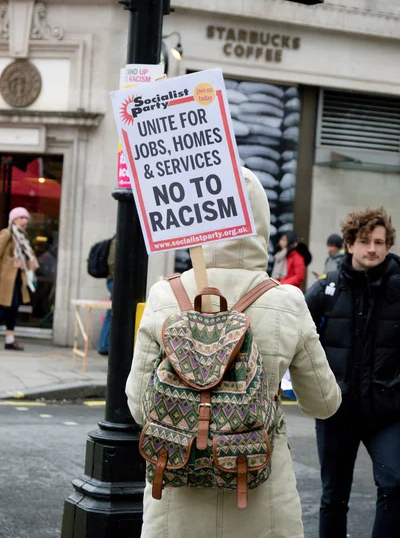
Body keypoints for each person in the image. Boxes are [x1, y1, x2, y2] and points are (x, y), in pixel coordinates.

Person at [126, 168, 341, 538]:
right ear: (260, 222)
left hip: (176, 495)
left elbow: (137, 406)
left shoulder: (166, 295)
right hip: (262, 496)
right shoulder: (286, 301)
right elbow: (324, 403)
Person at [305, 206, 400, 538]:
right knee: (334, 497)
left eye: (378, 241)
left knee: (395, 484)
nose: (371, 248)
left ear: (388, 245)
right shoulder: (326, 289)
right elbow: (294, 337)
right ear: (349, 244)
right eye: (363, 241)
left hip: (387, 412)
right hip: (336, 412)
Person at [0, 207, 39, 351]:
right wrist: (12, 262)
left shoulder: (22, 237)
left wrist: (31, 263)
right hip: (5, 280)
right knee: (6, 308)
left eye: (26, 218)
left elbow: (22, 258)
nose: (25, 221)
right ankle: (9, 340)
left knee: (13, 308)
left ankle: (10, 340)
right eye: (22, 218)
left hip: (16, 280)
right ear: (14, 219)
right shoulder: (7, 233)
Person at [97, 235, 115, 355]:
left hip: (114, 281)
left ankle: (104, 345)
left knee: (111, 313)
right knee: (113, 314)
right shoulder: (118, 240)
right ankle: (104, 345)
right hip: (115, 281)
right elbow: (113, 263)